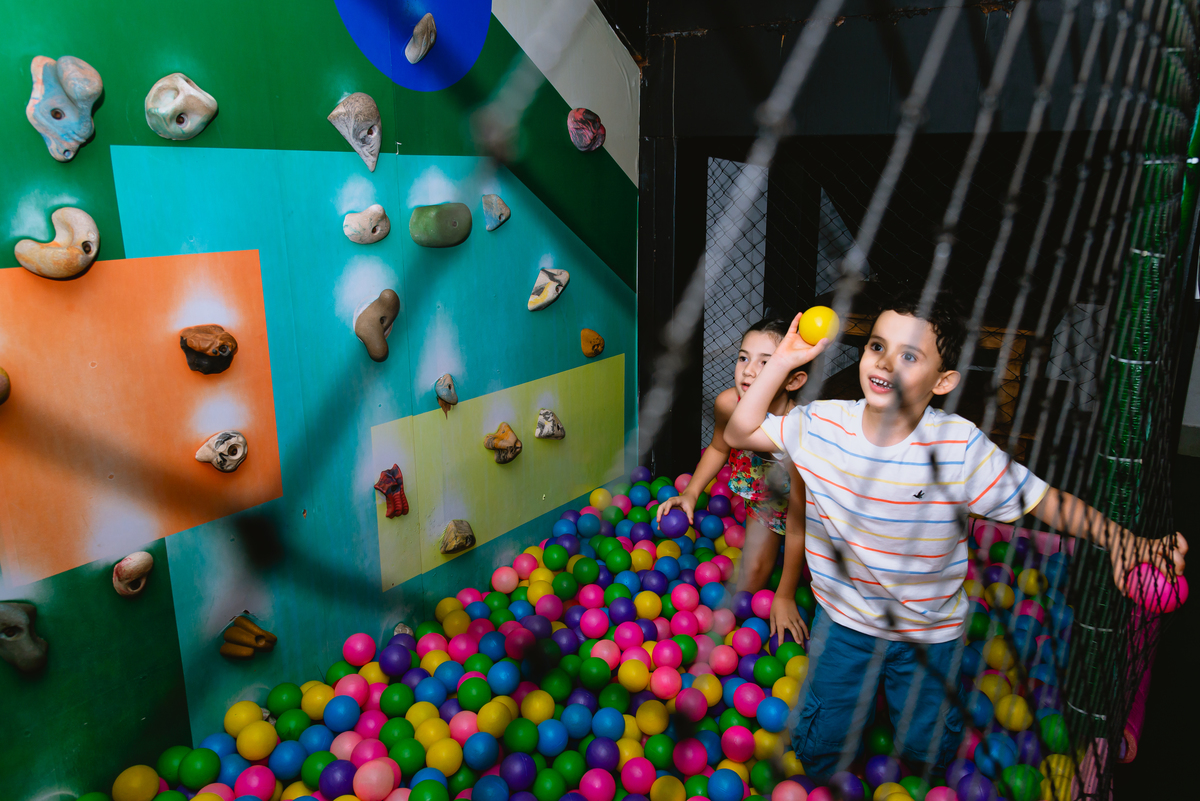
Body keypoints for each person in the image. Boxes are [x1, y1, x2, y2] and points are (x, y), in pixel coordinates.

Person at [723, 290, 1188, 780]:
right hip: (844, 623)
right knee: (819, 750)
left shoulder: (959, 447)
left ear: (943, 381)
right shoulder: (821, 425)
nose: (885, 363)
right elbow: (739, 431)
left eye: (909, 355)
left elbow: (1047, 502)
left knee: (924, 752)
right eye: (876, 346)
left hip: (929, 633)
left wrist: (1122, 541)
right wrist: (786, 361)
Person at [656, 319, 808, 599]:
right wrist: (691, 493)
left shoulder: (799, 433)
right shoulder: (729, 404)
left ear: (793, 380)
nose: (748, 370)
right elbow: (718, 448)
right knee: (749, 584)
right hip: (764, 502)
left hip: (809, 510)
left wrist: (785, 595)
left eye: (766, 363)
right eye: (743, 357)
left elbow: (799, 522)